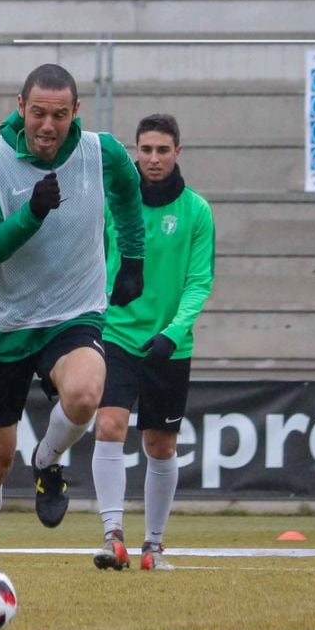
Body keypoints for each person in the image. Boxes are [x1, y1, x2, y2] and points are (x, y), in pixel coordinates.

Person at [0, 63, 145, 566]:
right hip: (2, 324)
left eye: (59, 115)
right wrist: (31, 214)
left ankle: (47, 460)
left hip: (73, 312)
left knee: (85, 394)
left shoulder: (101, 153)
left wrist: (133, 257)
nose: (47, 125)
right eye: (38, 113)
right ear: (20, 108)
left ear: (76, 112)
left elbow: (129, 194)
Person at [91, 113, 214, 572]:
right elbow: (93, 261)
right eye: (146, 150)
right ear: (135, 152)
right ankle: (112, 536)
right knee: (109, 426)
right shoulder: (113, 204)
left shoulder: (197, 212)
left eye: (163, 150)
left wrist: (172, 333)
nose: (154, 158)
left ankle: (154, 546)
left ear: (177, 153)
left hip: (169, 344)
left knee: (160, 446)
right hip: (115, 333)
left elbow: (199, 282)